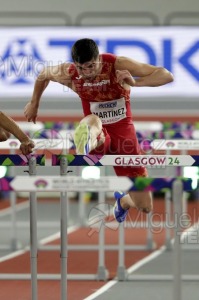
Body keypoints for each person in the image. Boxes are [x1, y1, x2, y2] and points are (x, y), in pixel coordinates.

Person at [24, 38, 174, 223]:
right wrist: (34, 104)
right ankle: (86, 142)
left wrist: (135, 83)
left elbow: (166, 75)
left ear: (99, 58)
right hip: (97, 133)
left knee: (145, 207)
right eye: (81, 68)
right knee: (93, 122)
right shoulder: (69, 73)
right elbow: (43, 75)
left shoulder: (117, 64)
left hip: (125, 140)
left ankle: (124, 201)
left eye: (90, 66)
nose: (86, 72)